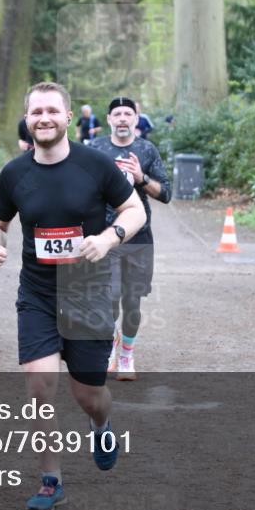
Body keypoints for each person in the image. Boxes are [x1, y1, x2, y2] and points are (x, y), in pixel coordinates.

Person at [0, 81, 145, 510]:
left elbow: (136, 210)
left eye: (52, 111)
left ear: (68, 117)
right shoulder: (16, 173)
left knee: (88, 394)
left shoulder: (95, 165)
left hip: (88, 294)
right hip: (37, 294)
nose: (44, 118)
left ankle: (102, 422)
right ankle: (51, 480)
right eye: (36, 111)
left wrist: (109, 238)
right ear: (28, 117)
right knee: (40, 386)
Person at [90, 97, 171, 380]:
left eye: (128, 114)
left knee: (132, 301)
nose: (122, 118)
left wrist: (141, 178)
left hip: (139, 237)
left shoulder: (147, 150)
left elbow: (166, 194)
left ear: (136, 119)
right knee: (110, 297)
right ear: (109, 119)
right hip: (105, 234)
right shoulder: (96, 148)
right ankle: (112, 345)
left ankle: (127, 354)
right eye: (117, 114)